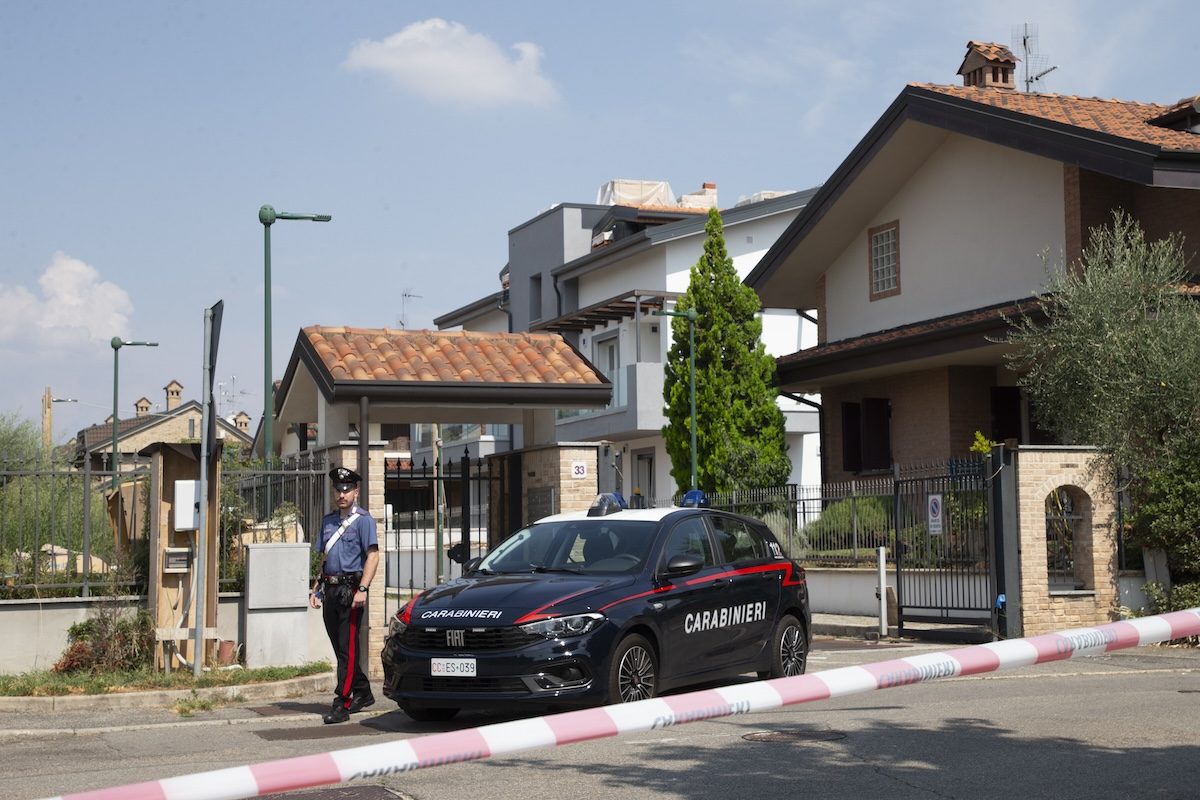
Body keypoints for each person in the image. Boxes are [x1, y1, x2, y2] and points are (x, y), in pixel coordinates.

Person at [310, 466, 379, 724]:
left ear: (356, 492)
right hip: (330, 589)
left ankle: (343, 701)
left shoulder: (363, 520)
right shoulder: (328, 521)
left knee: (347, 650)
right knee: (341, 648)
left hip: (351, 590)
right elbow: (324, 557)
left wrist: (362, 589)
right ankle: (363, 691)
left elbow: (373, 555)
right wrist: (315, 586)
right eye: (338, 490)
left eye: (347, 489)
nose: (342, 494)